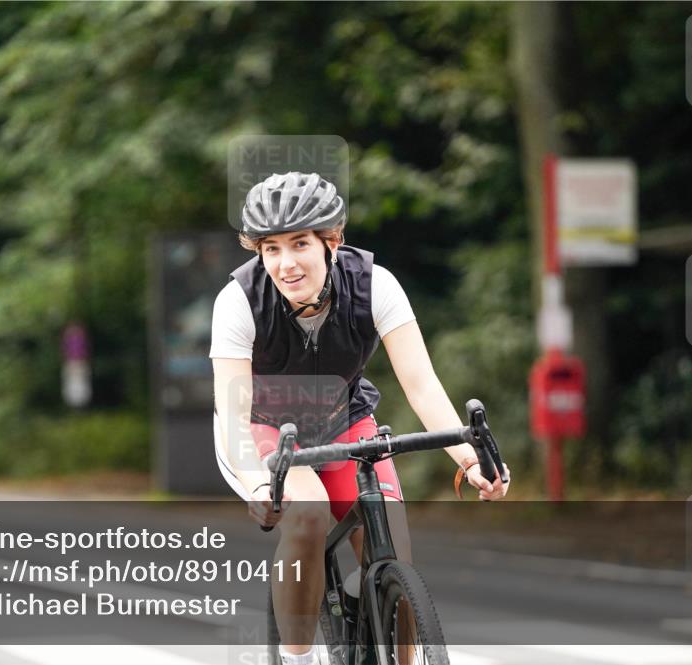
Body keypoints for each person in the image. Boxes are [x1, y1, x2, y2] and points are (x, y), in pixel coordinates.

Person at [210, 172, 509, 665]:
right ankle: (298, 657)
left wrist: (469, 458)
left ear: (332, 241)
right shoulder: (239, 301)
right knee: (305, 514)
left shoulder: (375, 285)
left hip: (344, 420)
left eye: (300, 244)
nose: (286, 264)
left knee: (391, 541)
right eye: (272, 250)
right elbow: (233, 412)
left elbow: (421, 383)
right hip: (263, 429)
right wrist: (260, 486)